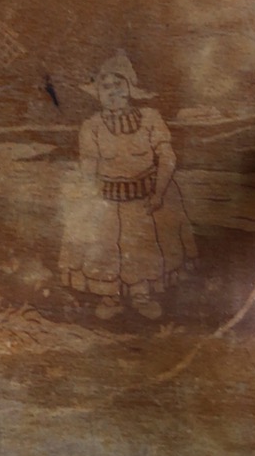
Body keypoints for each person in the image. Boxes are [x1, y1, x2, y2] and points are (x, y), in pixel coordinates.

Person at [59, 51, 196, 320]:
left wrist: (159, 192)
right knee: (107, 247)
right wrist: (91, 198)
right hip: (108, 199)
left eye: (118, 86)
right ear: (98, 93)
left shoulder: (150, 118)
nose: (112, 92)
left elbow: (167, 156)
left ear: (130, 89)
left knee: (143, 247)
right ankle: (111, 295)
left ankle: (142, 295)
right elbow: (89, 165)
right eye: (105, 87)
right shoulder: (92, 127)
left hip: (147, 197)